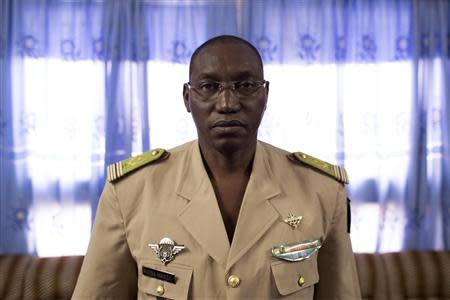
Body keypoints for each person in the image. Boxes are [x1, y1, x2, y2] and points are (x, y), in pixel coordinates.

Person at [72, 35, 361, 299]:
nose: (226, 103)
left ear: (265, 96)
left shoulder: (321, 191)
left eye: (245, 86)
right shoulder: (130, 193)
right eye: (209, 87)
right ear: (187, 98)